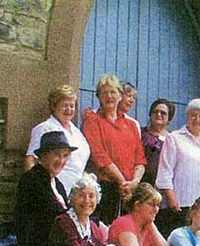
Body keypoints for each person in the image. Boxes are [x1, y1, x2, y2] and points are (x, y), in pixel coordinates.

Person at [82, 74, 146, 224]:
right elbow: (99, 156)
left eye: (113, 92)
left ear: (120, 96)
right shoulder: (92, 120)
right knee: (104, 231)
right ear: (98, 97)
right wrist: (122, 182)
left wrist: (135, 182)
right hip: (107, 187)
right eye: (104, 93)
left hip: (130, 189)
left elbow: (140, 158)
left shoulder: (131, 124)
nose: (109, 96)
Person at [155, 98, 200, 237]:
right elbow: (164, 171)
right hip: (181, 204)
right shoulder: (174, 138)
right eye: (193, 115)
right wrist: (172, 199)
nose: (197, 119)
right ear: (187, 117)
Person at [25, 84, 90, 193]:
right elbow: (31, 160)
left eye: (72, 106)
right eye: (65, 105)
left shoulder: (77, 132)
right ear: (54, 106)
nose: (69, 109)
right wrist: (35, 189)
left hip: (76, 192)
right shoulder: (45, 128)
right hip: (54, 190)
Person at [16, 131, 74, 246]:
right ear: (43, 156)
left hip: (59, 241)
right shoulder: (32, 179)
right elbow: (54, 214)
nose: (61, 160)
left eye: (65, 155)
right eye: (57, 155)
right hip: (41, 245)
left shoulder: (58, 184)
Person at [140, 98, 176, 186]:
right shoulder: (140, 133)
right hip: (142, 183)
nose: (159, 114)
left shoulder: (173, 139)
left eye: (163, 113)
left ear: (169, 118)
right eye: (155, 111)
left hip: (164, 185)